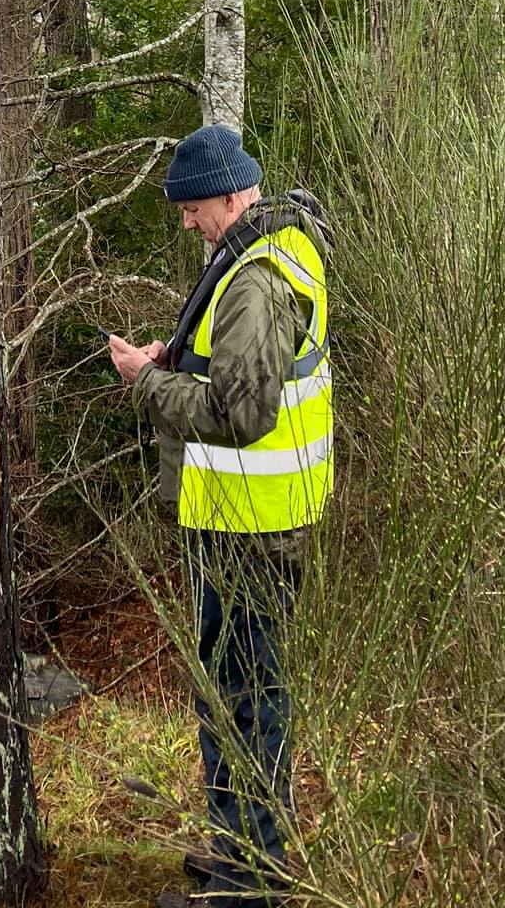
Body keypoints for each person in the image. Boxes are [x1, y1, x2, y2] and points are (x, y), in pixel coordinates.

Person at [107, 124, 333, 908]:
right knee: (240, 688)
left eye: (194, 206)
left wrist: (144, 382)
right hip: (246, 520)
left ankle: (253, 878)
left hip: (252, 528)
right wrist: (174, 365)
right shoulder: (258, 257)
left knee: (245, 693)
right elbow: (231, 376)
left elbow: (242, 414)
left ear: (236, 195)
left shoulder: (256, 280)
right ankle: (240, 848)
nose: (186, 221)